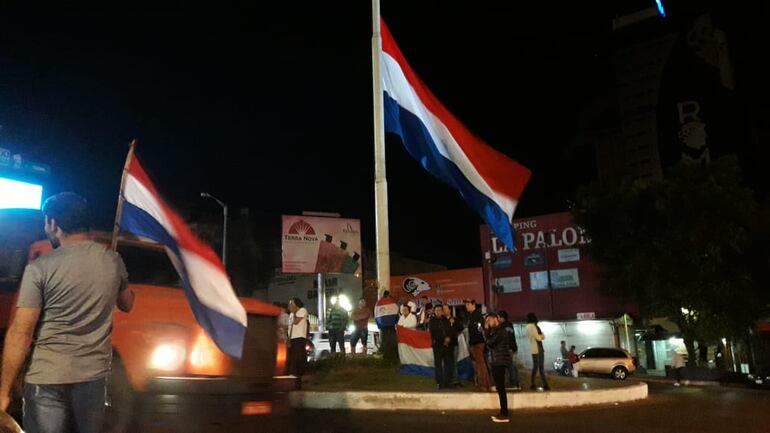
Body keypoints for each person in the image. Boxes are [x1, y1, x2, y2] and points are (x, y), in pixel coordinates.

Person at [0, 193, 135, 433]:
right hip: (93, 379)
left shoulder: (39, 268)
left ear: (53, 224)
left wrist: (4, 391)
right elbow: (127, 303)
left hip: (47, 377)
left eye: (46, 223)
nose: (46, 229)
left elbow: (21, 332)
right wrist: (119, 281)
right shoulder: (113, 261)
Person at [483, 313, 511, 423]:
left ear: (495, 319)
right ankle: (503, 411)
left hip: (499, 361)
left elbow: (490, 343)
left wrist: (486, 331)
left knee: (500, 387)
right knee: (500, 387)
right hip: (497, 360)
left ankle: (504, 413)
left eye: (488, 320)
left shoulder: (500, 331)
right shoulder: (497, 331)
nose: (487, 323)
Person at [464, 299, 490, 389]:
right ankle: (482, 382)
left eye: (468, 304)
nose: (466, 306)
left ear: (473, 304)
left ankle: (484, 383)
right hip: (474, 342)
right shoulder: (471, 316)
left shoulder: (477, 315)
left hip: (478, 342)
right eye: (466, 304)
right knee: (478, 364)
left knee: (480, 364)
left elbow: (481, 329)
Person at [429, 306, 453, 390]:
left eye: (440, 310)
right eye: (437, 310)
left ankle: (447, 382)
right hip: (437, 345)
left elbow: (450, 330)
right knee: (438, 364)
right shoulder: (432, 321)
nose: (438, 312)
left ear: (442, 311)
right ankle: (439, 382)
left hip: (446, 346)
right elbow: (433, 333)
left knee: (447, 364)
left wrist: (448, 338)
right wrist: (443, 340)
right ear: (434, 312)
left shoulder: (445, 320)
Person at [288, 297, 309, 387]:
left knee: (298, 358)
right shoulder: (291, 314)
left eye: (292, 303)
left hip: (299, 338)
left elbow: (296, 322)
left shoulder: (302, 310)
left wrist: (293, 312)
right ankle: (294, 378)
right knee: (293, 359)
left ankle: (298, 377)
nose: (290, 305)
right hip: (292, 338)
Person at [527, 312, 550, 390]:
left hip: (540, 349)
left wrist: (541, 336)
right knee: (537, 367)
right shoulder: (531, 326)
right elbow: (539, 338)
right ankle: (534, 384)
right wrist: (541, 336)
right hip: (536, 349)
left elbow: (543, 336)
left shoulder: (535, 326)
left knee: (540, 367)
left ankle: (543, 384)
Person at [498, 311, 520, 390]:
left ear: (502, 318)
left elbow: (506, 338)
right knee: (513, 366)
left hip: (508, 349)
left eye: (498, 317)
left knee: (510, 366)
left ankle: (512, 383)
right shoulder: (509, 325)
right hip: (513, 348)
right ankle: (516, 383)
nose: (498, 319)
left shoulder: (503, 326)